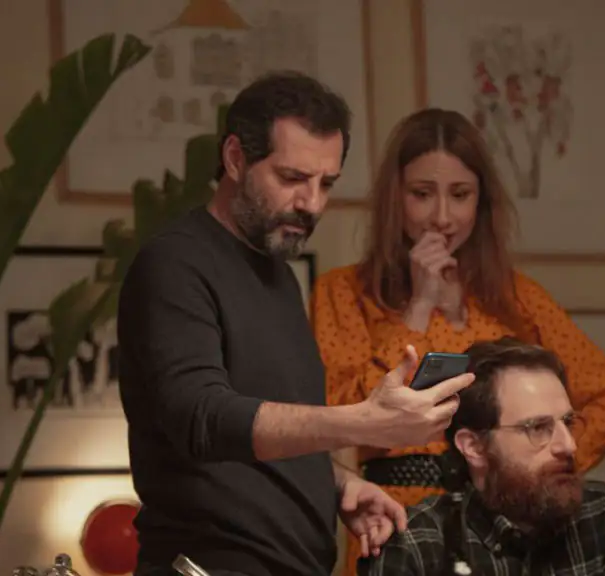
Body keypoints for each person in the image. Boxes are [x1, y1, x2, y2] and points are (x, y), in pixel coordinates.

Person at [116, 72, 475, 576]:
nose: (312, 203)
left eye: (326, 183)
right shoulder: (176, 263)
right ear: (235, 158)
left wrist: (338, 483)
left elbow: (266, 431)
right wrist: (365, 421)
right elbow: (201, 417)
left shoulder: (280, 276)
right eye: (291, 178)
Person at [309, 108, 605, 574]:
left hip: (507, 526)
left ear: (481, 201)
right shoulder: (343, 292)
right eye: (422, 194)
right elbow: (339, 414)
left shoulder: (517, 297)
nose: (442, 217)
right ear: (395, 198)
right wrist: (419, 307)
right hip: (397, 517)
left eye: (460, 195)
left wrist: (538, 467)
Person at [359, 337, 605, 575]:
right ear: (473, 447)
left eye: (567, 422)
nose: (568, 446)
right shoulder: (416, 544)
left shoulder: (601, 513)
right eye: (538, 428)